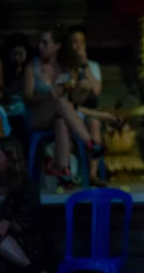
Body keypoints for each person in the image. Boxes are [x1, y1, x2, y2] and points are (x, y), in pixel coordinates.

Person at [22, 26, 104, 188]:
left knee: (61, 120)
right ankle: (90, 143)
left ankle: (64, 172)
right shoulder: (32, 67)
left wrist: (76, 89)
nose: (40, 46)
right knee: (59, 103)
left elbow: (77, 99)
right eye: (39, 43)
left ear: (57, 46)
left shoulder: (67, 68)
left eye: (45, 43)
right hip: (38, 115)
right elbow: (27, 100)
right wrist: (49, 95)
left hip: (61, 116)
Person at [0, 114, 42, 273]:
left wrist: (8, 223)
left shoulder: (25, 187)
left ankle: (33, 270)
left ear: (10, 159)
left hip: (25, 244)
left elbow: (29, 222)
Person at [67, 25, 106, 187]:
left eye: (81, 42)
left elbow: (96, 90)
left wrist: (85, 67)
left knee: (95, 123)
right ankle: (69, 173)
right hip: (71, 111)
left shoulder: (93, 66)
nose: (79, 46)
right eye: (75, 42)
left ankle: (92, 175)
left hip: (89, 111)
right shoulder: (65, 67)